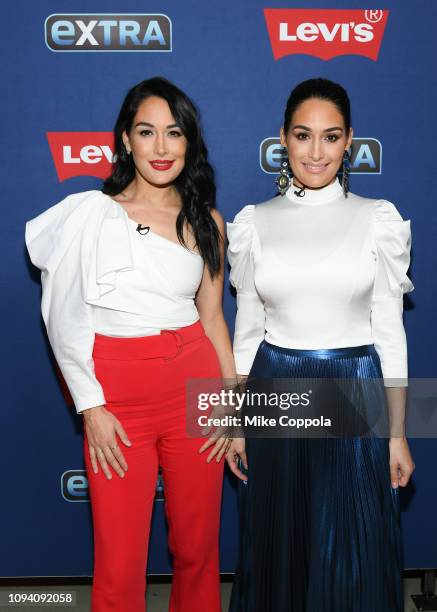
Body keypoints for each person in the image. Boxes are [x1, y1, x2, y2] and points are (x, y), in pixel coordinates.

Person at [25, 76, 236, 612]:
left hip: (195, 384)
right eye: (147, 132)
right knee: (118, 560)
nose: (162, 148)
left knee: (197, 549)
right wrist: (90, 405)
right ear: (125, 140)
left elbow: (212, 321)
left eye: (174, 133)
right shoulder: (90, 215)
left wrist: (230, 408)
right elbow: (62, 316)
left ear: (190, 142)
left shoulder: (207, 222)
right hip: (116, 392)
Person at [225, 77, 415, 612]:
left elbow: (390, 332)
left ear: (349, 140)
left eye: (330, 137)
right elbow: (246, 331)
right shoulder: (254, 223)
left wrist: (398, 436)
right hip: (274, 387)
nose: (316, 151)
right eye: (303, 136)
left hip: (354, 391)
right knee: (277, 548)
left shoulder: (377, 219)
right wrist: (236, 423)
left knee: (350, 553)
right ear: (282, 138)